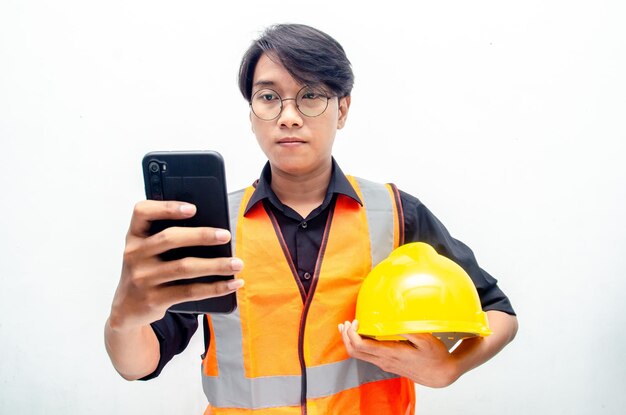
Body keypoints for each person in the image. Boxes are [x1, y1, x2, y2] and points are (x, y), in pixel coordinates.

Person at [105, 23, 518, 414]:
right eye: (268, 97)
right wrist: (124, 317)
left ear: (342, 109)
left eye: (310, 95)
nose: (288, 116)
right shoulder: (214, 227)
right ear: (251, 114)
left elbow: (498, 312)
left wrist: (451, 368)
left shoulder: (394, 213)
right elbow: (139, 362)